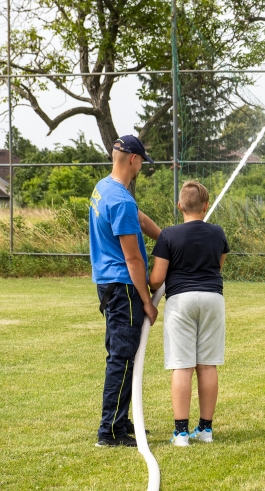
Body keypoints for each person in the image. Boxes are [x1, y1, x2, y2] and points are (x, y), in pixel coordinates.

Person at [90, 134, 161, 447]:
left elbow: (140, 219)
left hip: (109, 283)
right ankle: (110, 431)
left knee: (121, 354)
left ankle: (120, 420)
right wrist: (147, 301)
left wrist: (169, 239)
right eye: (142, 161)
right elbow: (133, 258)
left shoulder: (105, 188)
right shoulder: (120, 200)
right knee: (122, 358)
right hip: (123, 287)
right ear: (133, 159)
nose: (141, 167)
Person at [149, 180, 229, 447]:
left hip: (181, 301)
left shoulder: (168, 235)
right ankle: (205, 430)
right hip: (212, 299)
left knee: (182, 365)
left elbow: (156, 280)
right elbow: (218, 266)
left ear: (179, 205)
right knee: (207, 365)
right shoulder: (218, 233)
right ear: (206, 206)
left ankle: (181, 433)